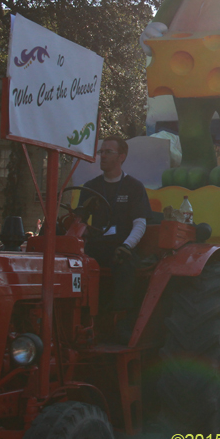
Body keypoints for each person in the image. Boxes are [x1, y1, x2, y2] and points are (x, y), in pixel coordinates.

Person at [83, 136, 151, 317]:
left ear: (122, 157)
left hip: (121, 247)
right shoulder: (90, 187)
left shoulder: (134, 187)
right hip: (96, 247)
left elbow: (140, 223)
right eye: (101, 152)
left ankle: (122, 318)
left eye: (108, 152)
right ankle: (83, 313)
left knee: (124, 262)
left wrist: (127, 246)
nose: (103, 156)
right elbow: (79, 222)